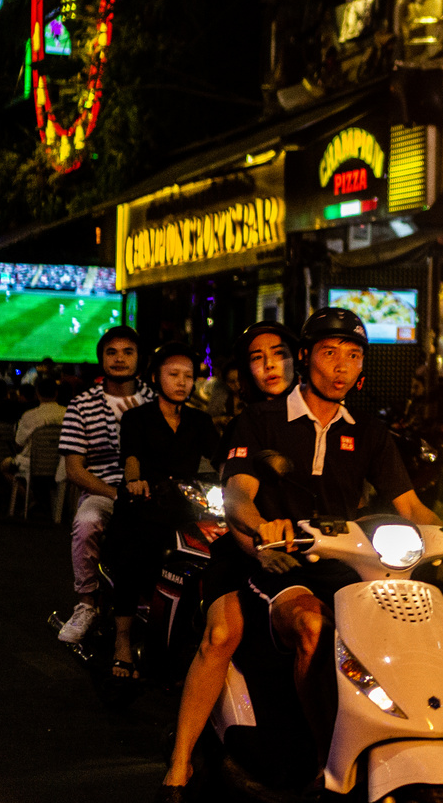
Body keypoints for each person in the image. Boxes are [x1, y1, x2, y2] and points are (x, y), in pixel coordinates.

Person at [220, 308, 443, 763]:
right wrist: (264, 525)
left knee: (395, 632)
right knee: (312, 626)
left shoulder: (371, 433)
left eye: (354, 355)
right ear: (305, 358)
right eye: (329, 353)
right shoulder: (261, 420)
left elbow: (412, 507)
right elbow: (237, 495)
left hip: (347, 563)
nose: (342, 366)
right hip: (279, 563)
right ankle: (325, 755)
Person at [160, 321, 300, 798]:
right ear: (243, 373)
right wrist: (258, 542)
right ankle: (180, 762)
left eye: (278, 354)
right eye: (257, 359)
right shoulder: (250, 423)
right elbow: (238, 500)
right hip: (245, 553)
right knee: (222, 635)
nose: (270, 366)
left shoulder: (339, 418)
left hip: (310, 559)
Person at [107, 344, 221, 678]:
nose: (182, 382)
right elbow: (131, 457)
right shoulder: (136, 417)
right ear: (156, 377)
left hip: (185, 506)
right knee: (133, 555)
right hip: (144, 502)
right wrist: (135, 481)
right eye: (173, 374)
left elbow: (222, 460)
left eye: (189, 376)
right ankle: (123, 641)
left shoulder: (200, 421)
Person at [57, 327, 153, 645]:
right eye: (112, 352)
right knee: (86, 523)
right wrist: (116, 493)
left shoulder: (154, 399)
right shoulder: (81, 405)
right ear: (101, 358)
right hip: (103, 490)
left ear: (139, 358)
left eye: (128, 352)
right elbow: (74, 469)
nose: (119, 358)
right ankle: (86, 603)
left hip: (152, 490)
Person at [3, 376, 66, 480]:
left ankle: (29, 496)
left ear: (37, 394)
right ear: (56, 393)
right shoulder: (68, 413)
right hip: (60, 464)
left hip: (31, 464)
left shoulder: (29, 416)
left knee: (4, 466)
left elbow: (19, 444)